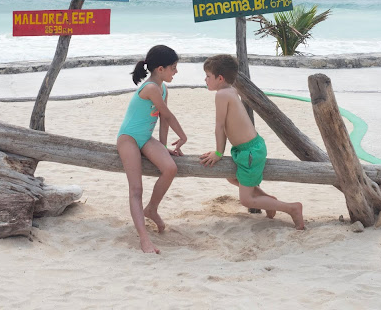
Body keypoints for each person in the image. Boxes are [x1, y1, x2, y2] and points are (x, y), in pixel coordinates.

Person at [200, 54, 304, 230]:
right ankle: (269, 202)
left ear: (220, 78)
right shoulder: (231, 90)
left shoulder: (222, 95)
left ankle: (292, 208)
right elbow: (226, 127)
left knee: (246, 200)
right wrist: (219, 151)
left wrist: (218, 153)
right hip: (249, 148)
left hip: (249, 152)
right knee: (232, 176)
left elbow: (219, 127)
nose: (205, 79)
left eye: (208, 76)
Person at [117, 45, 187, 253]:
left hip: (146, 138)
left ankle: (152, 209)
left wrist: (164, 147)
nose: (176, 71)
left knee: (170, 168)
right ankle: (144, 239)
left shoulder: (163, 88)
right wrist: (183, 136)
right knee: (136, 189)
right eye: (173, 67)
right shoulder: (150, 89)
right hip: (128, 138)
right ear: (160, 68)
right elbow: (167, 114)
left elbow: (163, 122)